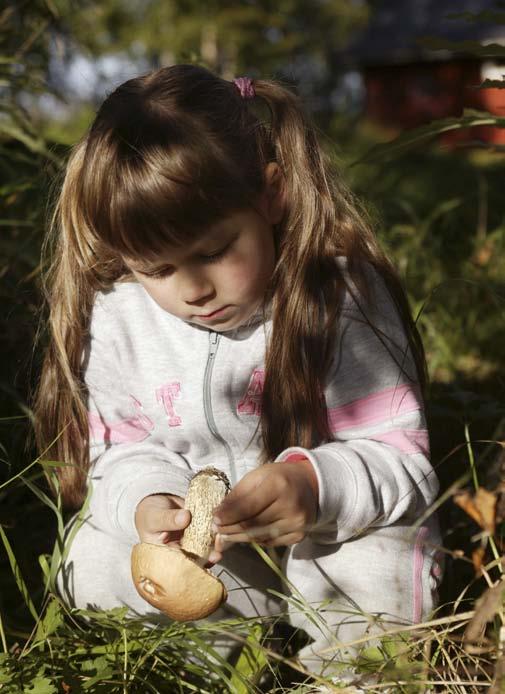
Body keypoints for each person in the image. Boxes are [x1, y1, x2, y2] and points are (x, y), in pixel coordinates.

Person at [34, 63, 442, 680]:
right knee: (90, 560)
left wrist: (315, 487)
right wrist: (146, 503)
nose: (194, 289)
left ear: (271, 195)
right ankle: (214, 658)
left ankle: (349, 671)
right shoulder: (119, 316)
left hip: (328, 537)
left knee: (379, 571)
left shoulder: (335, 296)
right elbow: (119, 451)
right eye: (157, 269)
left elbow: (402, 460)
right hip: (221, 562)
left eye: (214, 251)